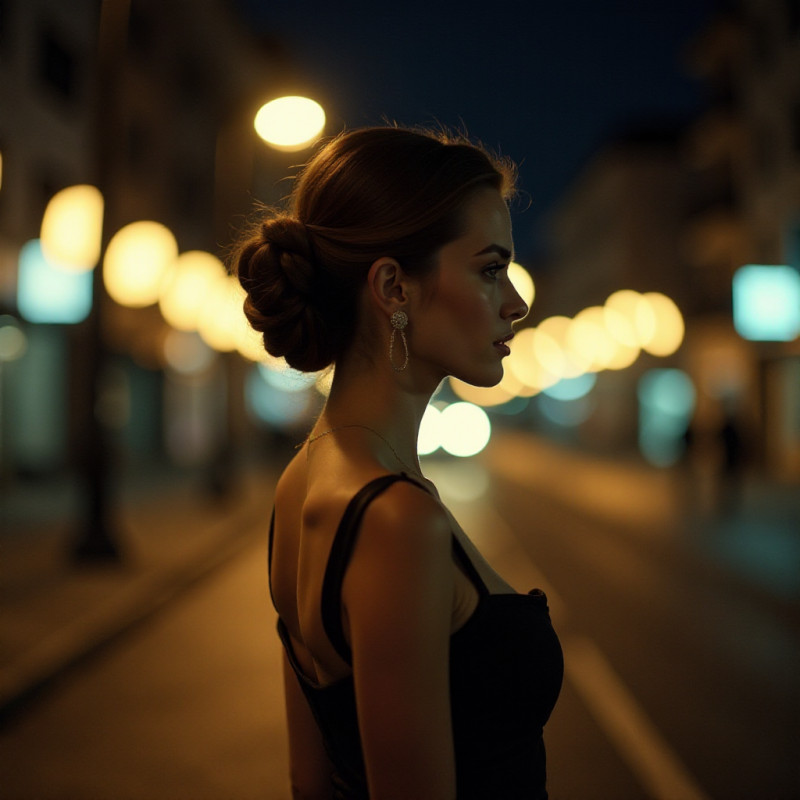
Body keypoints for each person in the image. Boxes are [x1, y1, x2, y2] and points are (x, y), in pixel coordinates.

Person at [234, 127, 563, 800]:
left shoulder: (302, 482)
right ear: (394, 287)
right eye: (490, 269)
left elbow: (311, 780)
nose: (517, 304)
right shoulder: (396, 521)